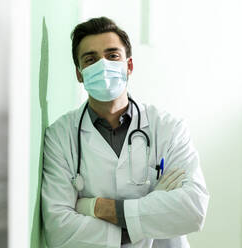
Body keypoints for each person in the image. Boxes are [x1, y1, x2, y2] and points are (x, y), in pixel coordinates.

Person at [41, 16, 209, 248]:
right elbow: (60, 232)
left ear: (128, 66)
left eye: (112, 56)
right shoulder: (60, 137)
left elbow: (193, 209)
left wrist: (95, 207)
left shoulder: (169, 129)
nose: (103, 65)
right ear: (79, 74)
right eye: (90, 59)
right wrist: (150, 215)